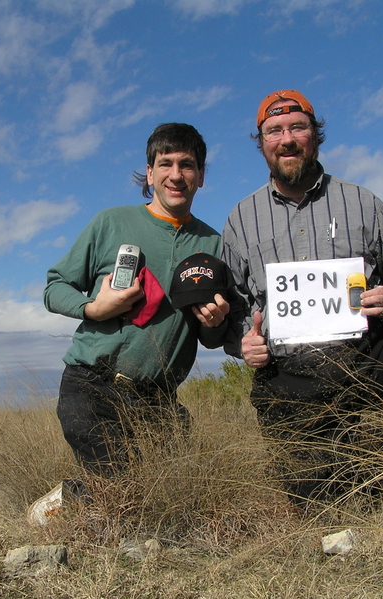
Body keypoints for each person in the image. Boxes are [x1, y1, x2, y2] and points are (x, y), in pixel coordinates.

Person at [222, 90, 383, 504]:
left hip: (368, 350)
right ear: (262, 143)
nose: (287, 139)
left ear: (315, 136)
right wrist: (243, 341)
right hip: (289, 368)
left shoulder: (361, 201)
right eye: (274, 131)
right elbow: (232, 307)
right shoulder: (240, 219)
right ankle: (340, 474)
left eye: (297, 127)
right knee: (319, 502)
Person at [43, 122, 230, 479]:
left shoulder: (215, 245)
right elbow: (54, 286)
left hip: (158, 398)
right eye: (166, 163)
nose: (176, 175)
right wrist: (93, 308)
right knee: (122, 488)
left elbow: (211, 338)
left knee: (176, 486)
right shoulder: (110, 223)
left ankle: (71, 499)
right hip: (92, 385)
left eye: (187, 165)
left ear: (201, 176)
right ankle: (73, 504)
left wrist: (215, 324)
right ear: (149, 172)